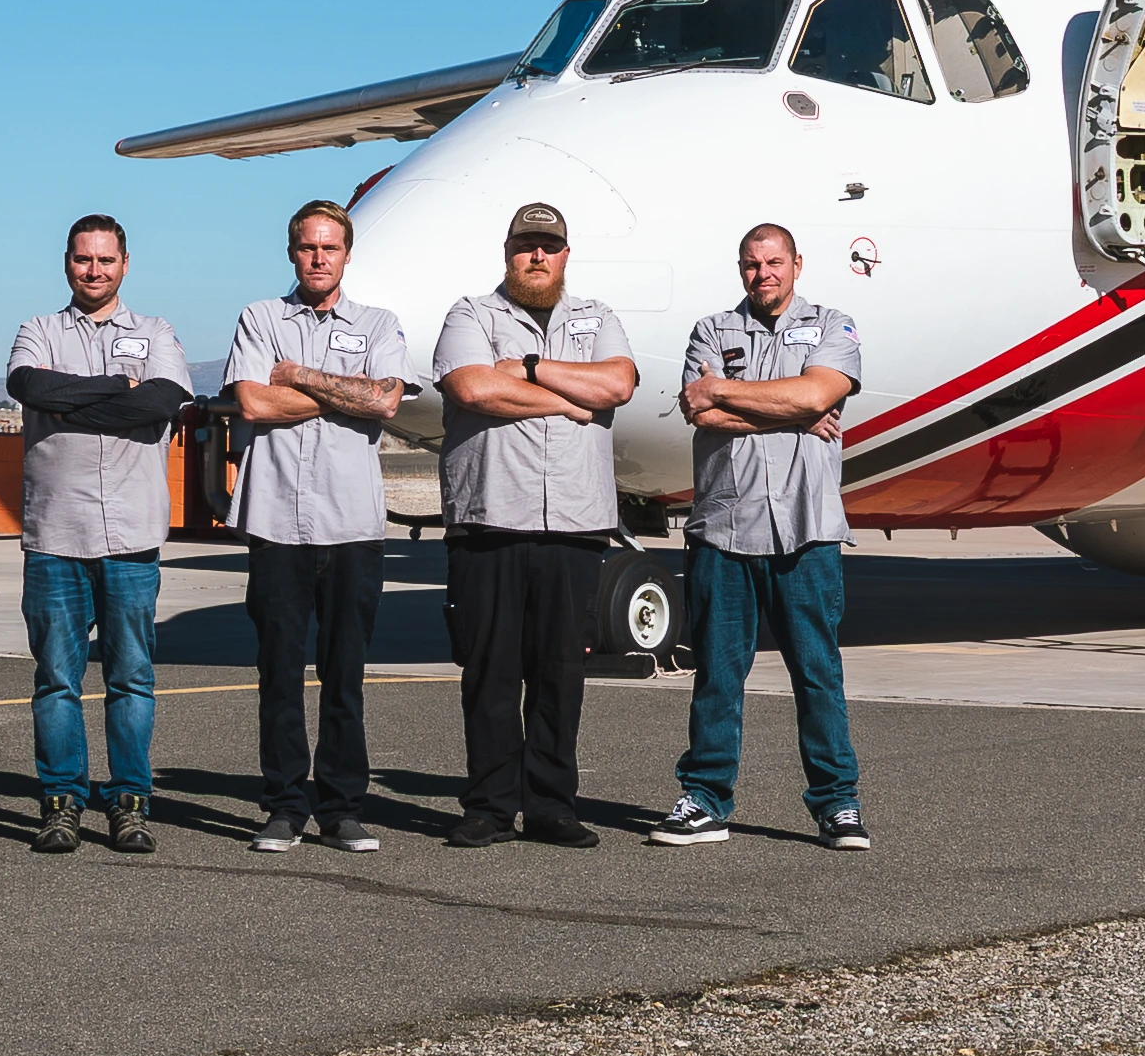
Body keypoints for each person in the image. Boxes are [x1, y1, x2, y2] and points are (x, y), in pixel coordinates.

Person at [429, 201, 637, 850]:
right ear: (507, 251)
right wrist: (569, 401)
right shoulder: (470, 315)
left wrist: (523, 370)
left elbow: (617, 385)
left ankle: (551, 807)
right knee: (489, 672)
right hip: (490, 519)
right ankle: (488, 807)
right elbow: (469, 388)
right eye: (525, 245)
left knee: (558, 673)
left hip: (573, 523)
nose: (536, 256)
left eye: (547, 246)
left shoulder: (596, 318)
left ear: (565, 254)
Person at [664, 221, 874, 851]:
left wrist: (730, 392)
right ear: (740, 270)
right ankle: (704, 800)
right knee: (718, 676)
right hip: (724, 530)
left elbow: (815, 391)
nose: (764, 274)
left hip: (807, 531)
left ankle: (837, 806)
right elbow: (698, 411)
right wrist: (795, 414)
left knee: (817, 675)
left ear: (797, 264)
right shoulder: (711, 330)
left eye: (774, 262)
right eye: (752, 265)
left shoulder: (835, 325)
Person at [0, 215, 192, 854]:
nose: (94, 270)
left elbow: (160, 403)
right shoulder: (38, 331)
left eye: (106, 260)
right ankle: (61, 803)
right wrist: (114, 389)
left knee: (132, 676)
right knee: (56, 677)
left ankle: (129, 802)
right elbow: (30, 385)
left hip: (131, 535)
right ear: (67, 263)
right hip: (55, 532)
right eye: (83, 260)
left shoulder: (156, 332)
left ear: (125, 264)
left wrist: (72, 401)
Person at [214, 202, 408, 851]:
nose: (318, 257)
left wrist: (296, 374)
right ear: (291, 253)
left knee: (344, 674)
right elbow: (251, 401)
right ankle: (283, 805)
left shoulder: (378, 324)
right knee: (278, 673)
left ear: (347, 255)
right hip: (276, 521)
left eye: (329, 248)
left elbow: (383, 401)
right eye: (306, 247)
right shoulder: (260, 317)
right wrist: (341, 392)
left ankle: (342, 806)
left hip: (351, 524)